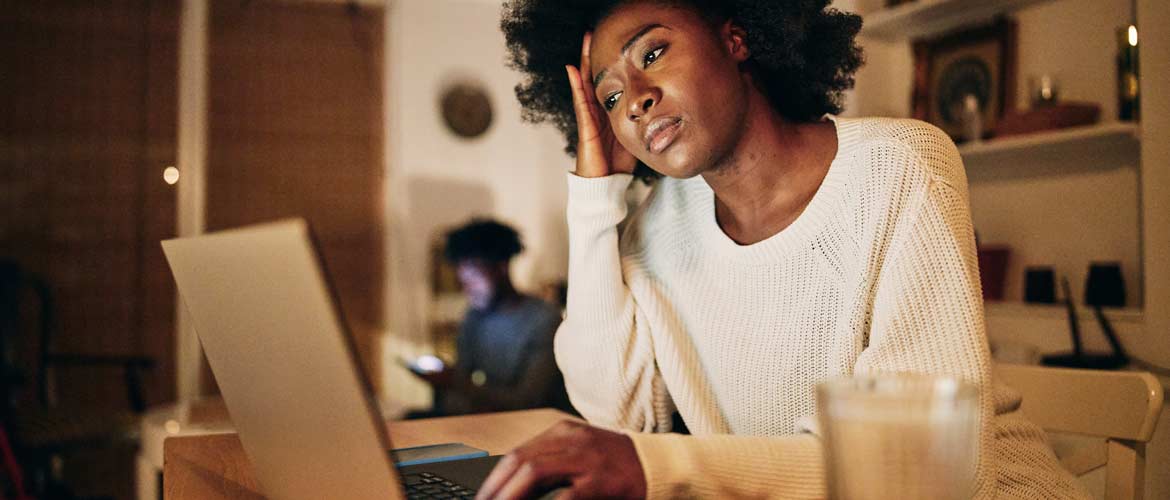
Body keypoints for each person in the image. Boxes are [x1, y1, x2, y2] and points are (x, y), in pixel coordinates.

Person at [474, 1, 1089, 499]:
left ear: (736, 38)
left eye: (653, 54)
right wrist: (594, 197)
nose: (633, 100)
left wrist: (664, 467)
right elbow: (616, 419)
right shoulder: (652, 230)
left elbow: (924, 469)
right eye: (609, 98)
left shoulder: (900, 167)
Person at [409, 219, 570, 416]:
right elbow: (461, 379)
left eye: (473, 279)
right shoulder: (474, 317)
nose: (468, 290)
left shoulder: (543, 320)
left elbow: (528, 401)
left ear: (501, 268)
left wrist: (453, 382)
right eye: (463, 282)